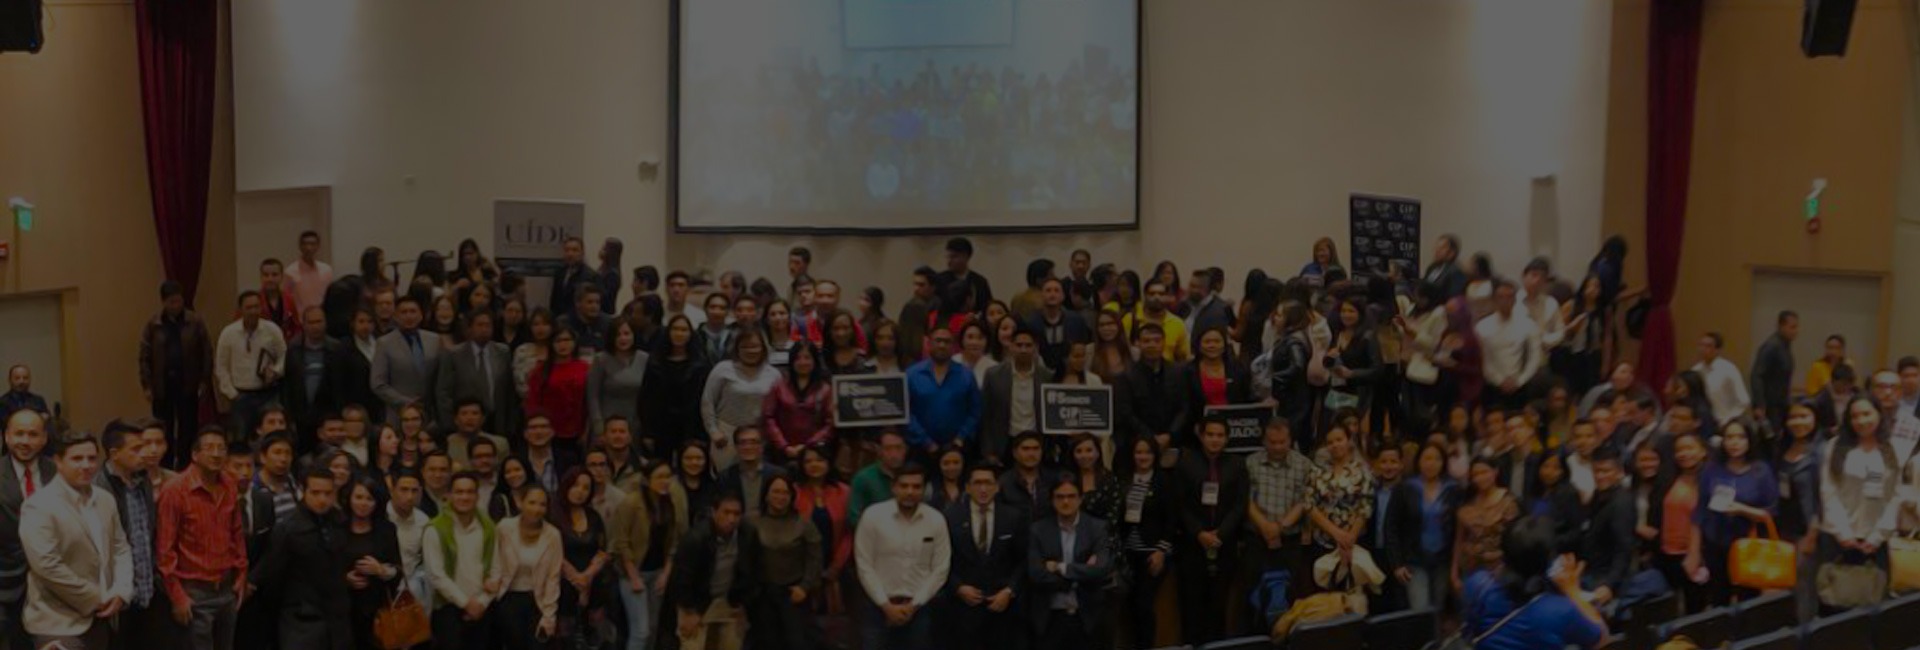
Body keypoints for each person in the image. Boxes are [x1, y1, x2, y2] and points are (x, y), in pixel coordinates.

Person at [156, 427, 249, 650]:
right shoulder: (175, 490)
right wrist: (177, 596)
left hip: (226, 587)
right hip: (194, 592)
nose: (216, 454)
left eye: (221, 448)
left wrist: (241, 574)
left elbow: (236, 533)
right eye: (209, 448)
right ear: (195, 454)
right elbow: (165, 550)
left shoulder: (229, 484)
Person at [1459, 517, 1607, 650]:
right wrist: (1572, 589)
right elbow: (1601, 639)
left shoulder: (1477, 584)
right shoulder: (1559, 610)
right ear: (1548, 562)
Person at [248, 468, 350, 650]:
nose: (322, 499)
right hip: (301, 618)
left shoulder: (340, 521)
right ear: (303, 491)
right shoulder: (288, 529)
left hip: (337, 617)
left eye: (328, 493)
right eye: (315, 493)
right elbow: (269, 572)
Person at [854, 464, 948, 650]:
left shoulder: (936, 520)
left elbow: (941, 568)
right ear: (893, 487)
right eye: (904, 486)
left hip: (920, 608)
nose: (910, 492)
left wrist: (914, 605)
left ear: (924, 489)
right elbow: (864, 564)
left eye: (916, 486)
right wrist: (885, 605)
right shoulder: (873, 516)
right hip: (878, 607)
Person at [1687, 420, 1778, 608]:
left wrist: (1741, 509)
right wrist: (1693, 552)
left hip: (1748, 546)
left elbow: (1770, 513)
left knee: (1748, 601)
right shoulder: (1712, 469)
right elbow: (1699, 512)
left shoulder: (1761, 471)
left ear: (1749, 441)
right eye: (1729, 437)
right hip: (1715, 545)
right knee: (1718, 599)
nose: (1734, 442)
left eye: (1740, 437)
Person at [1172, 415, 1247, 644]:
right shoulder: (1186, 462)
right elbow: (1180, 504)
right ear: (1201, 436)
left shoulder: (1237, 464)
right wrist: (1199, 533)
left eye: (1220, 435)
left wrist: (1220, 533)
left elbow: (1239, 504)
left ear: (1227, 438)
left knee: (1218, 605)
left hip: (1224, 545)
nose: (1215, 440)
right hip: (1192, 545)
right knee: (1192, 605)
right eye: (1210, 434)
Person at [1818, 397, 1898, 610]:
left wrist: (1878, 535)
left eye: (1866, 414)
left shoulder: (1892, 448)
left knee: (1873, 602)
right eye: (1855, 416)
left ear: (1879, 414)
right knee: (1834, 601)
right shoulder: (1836, 446)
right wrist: (1843, 533)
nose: (1861, 421)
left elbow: (1896, 496)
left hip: (1876, 539)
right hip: (1839, 537)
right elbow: (1829, 492)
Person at [943, 462, 1026, 650]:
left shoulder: (1013, 517)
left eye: (988, 483)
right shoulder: (950, 517)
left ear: (997, 487)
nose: (983, 489)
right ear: (967, 488)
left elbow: (1023, 559)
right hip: (963, 608)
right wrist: (958, 587)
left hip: (1003, 606)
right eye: (977, 483)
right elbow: (941, 560)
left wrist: (1009, 590)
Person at [1027, 480, 1112, 650]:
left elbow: (1101, 569)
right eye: (1060, 497)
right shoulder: (1037, 530)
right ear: (1052, 500)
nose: (1066, 502)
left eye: (1071, 496)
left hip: (1086, 615)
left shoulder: (1097, 528)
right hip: (1050, 616)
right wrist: (1081, 574)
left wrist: (1061, 567)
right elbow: (1035, 573)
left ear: (1080, 499)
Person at [609, 460, 685, 650]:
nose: (665, 481)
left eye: (668, 477)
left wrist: (666, 573)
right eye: (659, 477)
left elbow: (673, 542)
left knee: (652, 628)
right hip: (634, 572)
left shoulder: (670, 503)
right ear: (646, 479)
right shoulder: (631, 503)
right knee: (640, 631)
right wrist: (633, 577)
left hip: (658, 571)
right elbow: (621, 542)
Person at [670, 492, 761, 650]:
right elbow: (681, 580)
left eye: (737, 514)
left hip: (729, 599)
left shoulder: (748, 534)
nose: (731, 519)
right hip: (697, 600)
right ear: (714, 512)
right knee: (692, 645)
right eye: (726, 512)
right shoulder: (695, 538)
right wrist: (689, 611)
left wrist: (743, 604)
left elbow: (753, 571)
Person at [141, 281, 216, 469]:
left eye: (178, 301)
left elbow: (206, 352)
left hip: (188, 384)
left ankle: (186, 465)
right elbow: (145, 356)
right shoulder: (154, 324)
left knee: (188, 428)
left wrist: (204, 381)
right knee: (163, 428)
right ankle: (164, 465)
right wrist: (147, 385)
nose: (175, 305)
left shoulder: (195, 321)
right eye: (171, 302)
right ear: (163, 302)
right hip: (162, 386)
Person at [0, 408, 55, 650]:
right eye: (19, 433)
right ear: (6, 437)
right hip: (4, 584)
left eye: (33, 434)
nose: (25, 441)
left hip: (50, 584)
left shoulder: (58, 472)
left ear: (44, 438)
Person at [425, 471, 497, 650]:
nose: (465, 497)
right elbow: (436, 575)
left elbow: (497, 568)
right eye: (459, 492)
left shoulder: (488, 527)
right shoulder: (435, 529)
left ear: (477, 496)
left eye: (470, 492)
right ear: (449, 495)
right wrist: (466, 603)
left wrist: (482, 602)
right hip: (448, 609)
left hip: (482, 607)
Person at [753, 474, 822, 650]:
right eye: (776, 492)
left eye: (785, 493)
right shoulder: (751, 522)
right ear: (766, 495)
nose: (780, 497)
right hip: (763, 594)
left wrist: (805, 587)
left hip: (793, 593)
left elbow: (815, 558)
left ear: (792, 497)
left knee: (797, 643)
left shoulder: (804, 523)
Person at [492, 484, 562, 650]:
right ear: (520, 503)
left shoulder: (553, 535)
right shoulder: (504, 527)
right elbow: (494, 562)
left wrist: (549, 615)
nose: (536, 509)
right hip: (507, 598)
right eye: (532, 502)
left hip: (537, 601)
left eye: (542, 504)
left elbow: (553, 577)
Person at [215, 291, 288, 442]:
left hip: (268, 395)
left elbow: (284, 356)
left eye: (256, 306)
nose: (253, 311)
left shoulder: (272, 330)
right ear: (240, 309)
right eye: (249, 307)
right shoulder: (229, 333)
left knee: (272, 438)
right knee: (240, 439)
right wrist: (232, 394)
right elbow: (221, 367)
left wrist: (276, 371)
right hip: (241, 396)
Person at [700, 329, 778, 472]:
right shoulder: (722, 369)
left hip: (759, 436)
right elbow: (708, 402)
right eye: (745, 346)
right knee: (725, 477)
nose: (750, 350)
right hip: (726, 434)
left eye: (755, 346)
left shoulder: (773, 374)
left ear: (763, 348)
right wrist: (713, 431)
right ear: (737, 348)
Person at [551, 469, 612, 650]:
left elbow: (602, 551)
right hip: (563, 586)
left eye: (586, 488)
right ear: (566, 486)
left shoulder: (594, 516)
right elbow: (551, 553)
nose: (580, 491)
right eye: (576, 485)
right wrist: (576, 579)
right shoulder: (553, 515)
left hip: (594, 584)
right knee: (566, 637)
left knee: (596, 636)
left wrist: (587, 576)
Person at [1651, 432, 1708, 613]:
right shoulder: (1667, 478)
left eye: (1689, 448)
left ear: (1702, 451)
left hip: (1698, 556)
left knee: (1695, 610)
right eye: (1679, 450)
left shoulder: (1712, 480)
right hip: (1667, 554)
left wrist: (1695, 554)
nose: (1684, 454)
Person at [436, 311, 516, 438]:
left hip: (497, 422)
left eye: (488, 325)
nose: (484, 329)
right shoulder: (454, 355)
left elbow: (509, 391)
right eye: (480, 325)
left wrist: (510, 424)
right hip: (465, 423)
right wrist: (451, 424)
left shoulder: (503, 352)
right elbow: (444, 393)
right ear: (470, 328)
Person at [905, 328, 983, 454]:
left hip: (959, 448)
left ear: (954, 346)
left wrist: (961, 438)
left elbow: (975, 412)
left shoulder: (966, 375)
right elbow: (907, 413)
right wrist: (926, 442)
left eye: (947, 342)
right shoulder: (912, 375)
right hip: (920, 449)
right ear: (929, 343)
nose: (942, 345)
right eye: (938, 341)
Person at [643, 316, 712, 457]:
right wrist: (648, 432)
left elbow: (706, 400)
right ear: (668, 332)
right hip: (661, 427)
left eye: (683, 330)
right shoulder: (655, 362)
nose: (679, 333)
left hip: (691, 427)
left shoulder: (701, 365)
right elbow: (646, 399)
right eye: (675, 329)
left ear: (691, 334)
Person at [1116, 324, 1184, 464]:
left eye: (1156, 341)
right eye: (1146, 341)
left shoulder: (1178, 372)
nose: (1152, 345)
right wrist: (1150, 438)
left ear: (1164, 343)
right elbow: (1126, 412)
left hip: (1174, 441)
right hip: (1138, 443)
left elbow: (1184, 407)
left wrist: (1170, 434)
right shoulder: (1127, 376)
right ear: (1138, 344)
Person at [1452, 457, 1519, 593]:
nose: (1480, 478)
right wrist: (1454, 573)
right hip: (1470, 570)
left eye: (1484, 472)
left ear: (1495, 472)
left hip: (1498, 572)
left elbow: (1515, 541)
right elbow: (1459, 540)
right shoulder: (1468, 503)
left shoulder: (1508, 502)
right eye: (1475, 474)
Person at [372, 296, 443, 425]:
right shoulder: (384, 343)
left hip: (430, 414)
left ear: (421, 315)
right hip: (399, 414)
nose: (409, 316)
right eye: (404, 312)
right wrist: (406, 402)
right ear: (395, 316)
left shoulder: (434, 340)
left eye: (413, 311)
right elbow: (378, 384)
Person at [980, 326, 1047, 464]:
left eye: (1028, 345)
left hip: (1036, 442)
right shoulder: (993, 375)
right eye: (1019, 345)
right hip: (1004, 444)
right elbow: (986, 416)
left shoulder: (1047, 376)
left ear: (1036, 348)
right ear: (1011, 346)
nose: (1023, 349)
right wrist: (988, 451)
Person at [1475, 280, 1541, 412]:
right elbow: (1484, 360)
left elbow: (1534, 357)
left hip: (1521, 385)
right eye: (1501, 297)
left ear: (1515, 299)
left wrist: (1520, 380)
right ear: (1494, 300)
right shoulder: (1482, 327)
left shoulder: (1528, 324)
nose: (1505, 301)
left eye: (1510, 297)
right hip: (1492, 386)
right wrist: (1499, 381)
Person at [1183, 326, 1253, 446]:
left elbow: (1248, 396)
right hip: (1198, 432)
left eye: (1217, 341)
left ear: (1224, 344)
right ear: (1199, 345)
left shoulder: (1238, 369)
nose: (1212, 345)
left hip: (1234, 430)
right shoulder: (1188, 371)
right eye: (1207, 342)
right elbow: (1185, 404)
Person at [764, 342, 834, 462]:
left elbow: (830, 424)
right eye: (797, 358)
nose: (802, 362)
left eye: (807, 358)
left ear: (815, 361)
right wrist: (783, 445)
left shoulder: (826, 389)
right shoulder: (779, 386)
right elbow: (768, 417)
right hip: (780, 451)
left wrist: (808, 446)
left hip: (815, 453)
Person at [526, 329, 591, 454]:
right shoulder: (540, 370)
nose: (563, 345)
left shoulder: (584, 368)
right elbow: (533, 403)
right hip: (549, 432)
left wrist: (587, 431)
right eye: (558, 341)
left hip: (579, 430)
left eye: (567, 340)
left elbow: (589, 402)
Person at [589, 317, 650, 440]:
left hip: (635, 422)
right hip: (606, 422)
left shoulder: (644, 358)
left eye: (627, 334)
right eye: (618, 335)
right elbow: (593, 396)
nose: (623, 338)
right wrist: (598, 427)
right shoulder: (601, 359)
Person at [386, 469, 433, 609]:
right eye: (404, 490)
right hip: (380, 587)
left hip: (409, 590)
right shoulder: (379, 516)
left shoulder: (423, 521)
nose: (409, 496)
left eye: (414, 491)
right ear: (392, 491)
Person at [719, 427, 788, 520]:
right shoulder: (726, 476)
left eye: (753, 442)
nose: (748, 447)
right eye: (743, 443)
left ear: (762, 446)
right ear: (736, 447)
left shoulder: (778, 475)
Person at [1024, 277, 1091, 372]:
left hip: (1071, 371)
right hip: (1040, 372)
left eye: (1056, 290)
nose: (1052, 294)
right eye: (1048, 290)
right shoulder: (1032, 323)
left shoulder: (1076, 321)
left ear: (1063, 296)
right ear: (1041, 295)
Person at [1751, 311, 1799, 428]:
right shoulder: (1771, 347)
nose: (1795, 331)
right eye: (1792, 327)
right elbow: (1757, 375)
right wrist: (1759, 404)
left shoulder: (1785, 346)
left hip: (1781, 404)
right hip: (1770, 406)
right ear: (1781, 326)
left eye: (1796, 327)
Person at [1691, 332, 1751, 426]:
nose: (1703, 349)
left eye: (1708, 346)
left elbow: (1743, 401)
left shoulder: (1728, 369)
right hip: (1703, 421)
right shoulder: (1696, 370)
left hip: (1726, 420)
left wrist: (1728, 420)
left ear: (1717, 350)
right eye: (1701, 345)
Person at [1122, 280, 1190, 363]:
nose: (1156, 297)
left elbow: (1183, 358)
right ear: (1145, 296)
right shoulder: (1130, 319)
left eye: (1161, 294)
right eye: (1152, 294)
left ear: (1167, 297)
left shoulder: (1177, 323)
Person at [934, 238, 993, 318]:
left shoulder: (979, 282)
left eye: (954, 257)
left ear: (966, 257)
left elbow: (987, 309)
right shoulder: (939, 280)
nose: (949, 261)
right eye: (948, 257)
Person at [512, 308, 556, 400]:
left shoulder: (557, 350)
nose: (540, 328)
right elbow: (519, 383)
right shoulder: (522, 351)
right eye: (536, 324)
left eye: (545, 324)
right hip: (528, 402)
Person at [286, 231, 333, 313]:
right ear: (300, 246)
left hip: (322, 316)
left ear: (318, 246)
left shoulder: (326, 270)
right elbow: (287, 298)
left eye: (312, 244)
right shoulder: (290, 272)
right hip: (300, 318)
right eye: (305, 244)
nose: (309, 248)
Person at [1183, 269, 1235, 341]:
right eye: (1189, 285)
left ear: (1204, 289)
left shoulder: (1219, 311)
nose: (1188, 289)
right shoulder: (1185, 305)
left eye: (1193, 286)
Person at [550, 237, 592, 319]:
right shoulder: (559, 273)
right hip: (559, 319)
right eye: (567, 250)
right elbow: (554, 300)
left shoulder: (590, 276)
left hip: (579, 320)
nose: (570, 254)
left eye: (575, 250)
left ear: (582, 253)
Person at [1422, 235, 1468, 300]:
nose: (1437, 251)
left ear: (1452, 252)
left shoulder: (1456, 272)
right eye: (1436, 247)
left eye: (1441, 248)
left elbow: (1454, 298)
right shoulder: (1431, 268)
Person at [697, 293, 737, 362]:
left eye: (722, 308)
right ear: (705, 309)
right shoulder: (695, 336)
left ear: (727, 312)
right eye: (712, 307)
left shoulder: (735, 336)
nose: (717, 312)